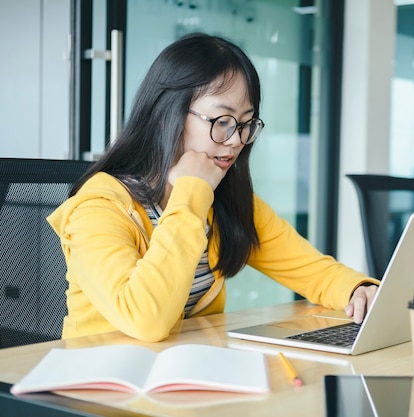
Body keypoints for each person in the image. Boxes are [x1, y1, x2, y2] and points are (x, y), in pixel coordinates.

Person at [48, 33, 379, 343]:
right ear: (167, 115)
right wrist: (191, 192)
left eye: (246, 124)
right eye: (222, 121)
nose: (235, 140)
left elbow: (309, 269)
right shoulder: (99, 206)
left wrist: (357, 289)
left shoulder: (223, 200)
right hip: (100, 386)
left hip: (185, 377)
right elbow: (145, 318)